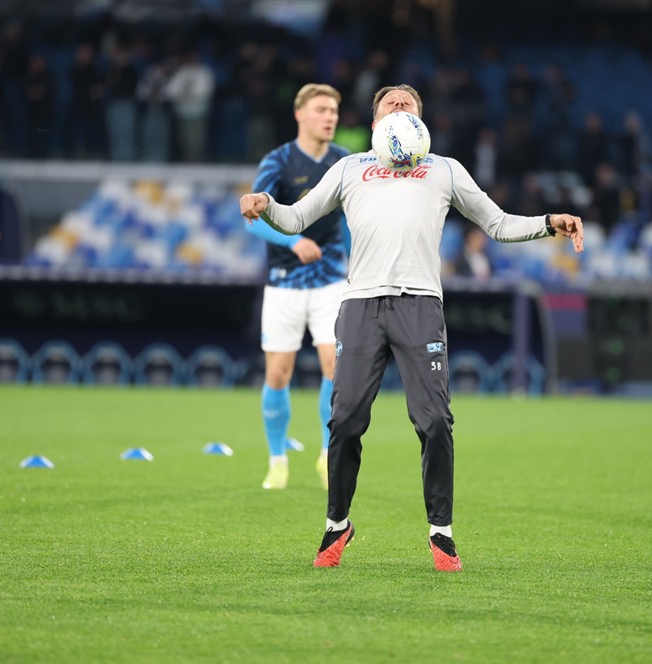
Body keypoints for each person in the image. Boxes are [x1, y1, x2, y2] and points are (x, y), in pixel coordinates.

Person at [240, 84, 584, 572]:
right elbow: (296, 218)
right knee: (345, 421)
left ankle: (441, 532)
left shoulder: (445, 169)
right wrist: (265, 204)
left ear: (421, 120)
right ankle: (337, 524)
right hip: (360, 305)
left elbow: (498, 223)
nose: (399, 104)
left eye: (408, 103)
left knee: (434, 421)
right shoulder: (350, 168)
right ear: (375, 121)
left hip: (420, 305)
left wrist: (549, 222)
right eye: (390, 102)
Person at [246, 83, 350, 491]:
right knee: (278, 373)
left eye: (334, 111)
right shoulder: (278, 161)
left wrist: (357, 262)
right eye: (321, 110)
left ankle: (327, 455)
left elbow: (351, 221)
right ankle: (277, 461)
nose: (329, 117)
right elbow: (252, 220)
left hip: (330, 280)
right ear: (300, 114)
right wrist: (293, 241)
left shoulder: (344, 162)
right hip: (284, 282)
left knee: (335, 368)